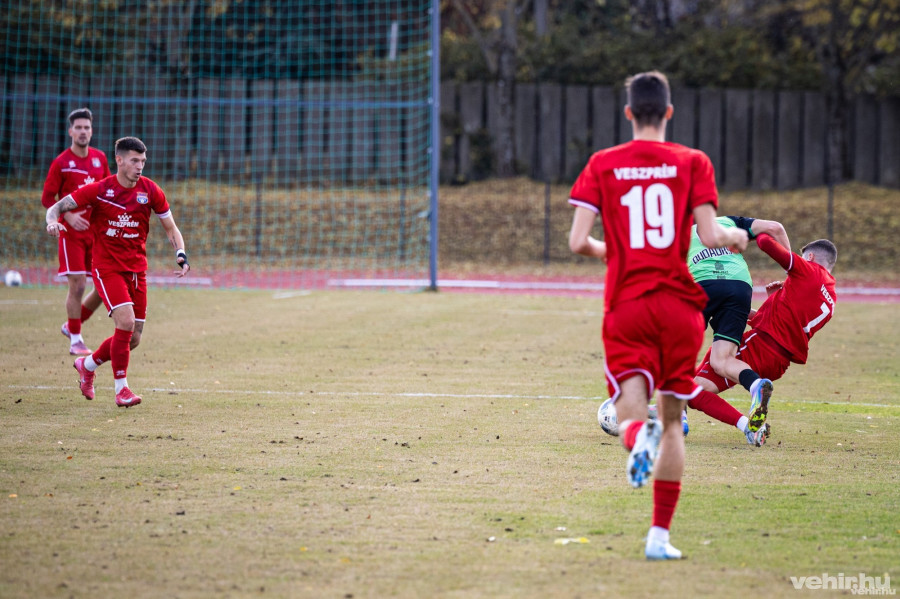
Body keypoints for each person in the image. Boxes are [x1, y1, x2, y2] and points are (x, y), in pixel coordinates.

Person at [568, 71, 748, 561]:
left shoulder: (602, 164)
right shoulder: (693, 162)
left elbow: (577, 242)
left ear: (628, 113)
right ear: (668, 112)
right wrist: (737, 238)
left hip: (626, 304)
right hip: (678, 307)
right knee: (673, 421)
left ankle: (633, 432)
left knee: (631, 405)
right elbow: (710, 235)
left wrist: (618, 252)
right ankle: (659, 538)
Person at [45, 137, 190, 407]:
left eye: (143, 161)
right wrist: (53, 221)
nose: (140, 167)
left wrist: (181, 253)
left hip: (137, 270)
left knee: (133, 338)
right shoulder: (99, 190)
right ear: (119, 160)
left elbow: (170, 228)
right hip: (107, 268)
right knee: (125, 323)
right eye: (135, 161)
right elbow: (57, 206)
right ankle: (121, 390)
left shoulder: (151, 191)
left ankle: (87, 365)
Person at [688, 236, 838, 445]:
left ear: (810, 257)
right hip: (777, 362)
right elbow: (786, 325)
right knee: (694, 389)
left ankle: (755, 389)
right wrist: (774, 301)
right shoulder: (831, 299)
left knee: (712, 365)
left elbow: (766, 243)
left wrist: (749, 231)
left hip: (760, 346)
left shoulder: (808, 270)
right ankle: (750, 427)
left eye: (803, 258)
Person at [684, 215, 791, 443]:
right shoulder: (728, 222)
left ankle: (677, 418)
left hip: (702, 286)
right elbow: (775, 227)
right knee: (721, 361)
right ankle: (755, 385)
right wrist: (791, 275)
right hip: (740, 286)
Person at [41, 108, 111, 356]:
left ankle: (71, 326)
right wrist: (67, 215)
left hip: (96, 234)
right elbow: (48, 197)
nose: (83, 132)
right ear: (70, 131)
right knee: (79, 285)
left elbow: (108, 192)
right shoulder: (61, 162)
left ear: (91, 131)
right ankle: (76, 340)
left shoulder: (100, 159)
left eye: (87, 127)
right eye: (78, 127)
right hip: (70, 234)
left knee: (104, 289)